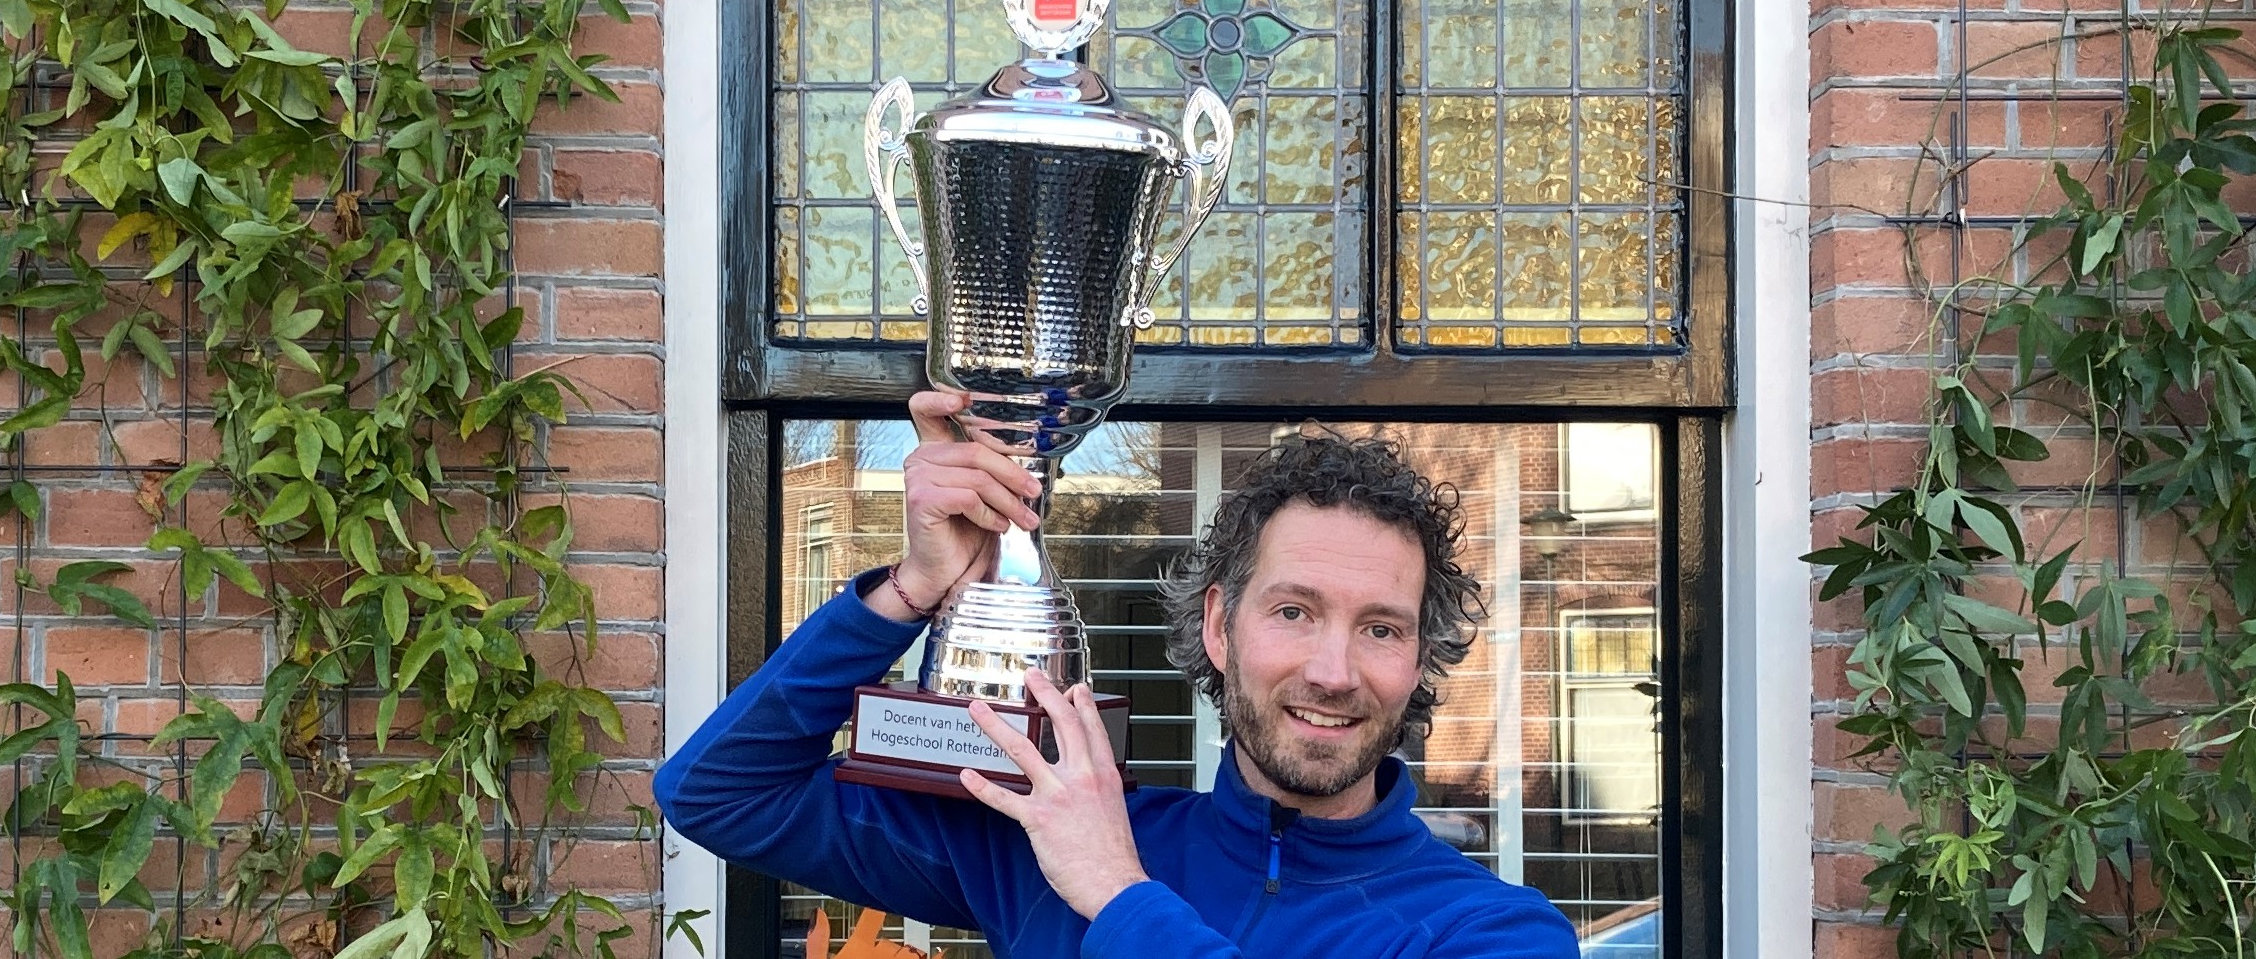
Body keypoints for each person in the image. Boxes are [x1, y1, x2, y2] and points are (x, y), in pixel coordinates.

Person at [654, 392, 1579, 958]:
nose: (1332, 671)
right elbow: (720, 791)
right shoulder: (1050, 833)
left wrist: (1118, 894)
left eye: (1380, 627)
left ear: (1416, 656)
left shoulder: (1492, 930)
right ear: (1219, 625)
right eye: (1293, 612)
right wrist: (911, 588)